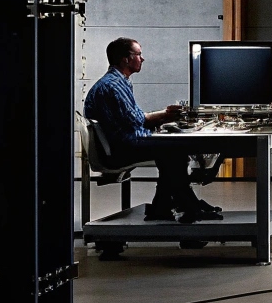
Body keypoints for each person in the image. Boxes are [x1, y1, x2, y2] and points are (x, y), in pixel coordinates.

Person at [84, 37, 222, 223]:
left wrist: (163, 117)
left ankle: (166, 206)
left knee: (172, 148)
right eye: (138, 54)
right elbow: (136, 120)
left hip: (122, 142)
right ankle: (185, 205)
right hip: (122, 148)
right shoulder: (113, 86)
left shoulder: (118, 82)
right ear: (125, 59)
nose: (142, 59)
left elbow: (133, 119)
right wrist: (166, 115)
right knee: (174, 149)